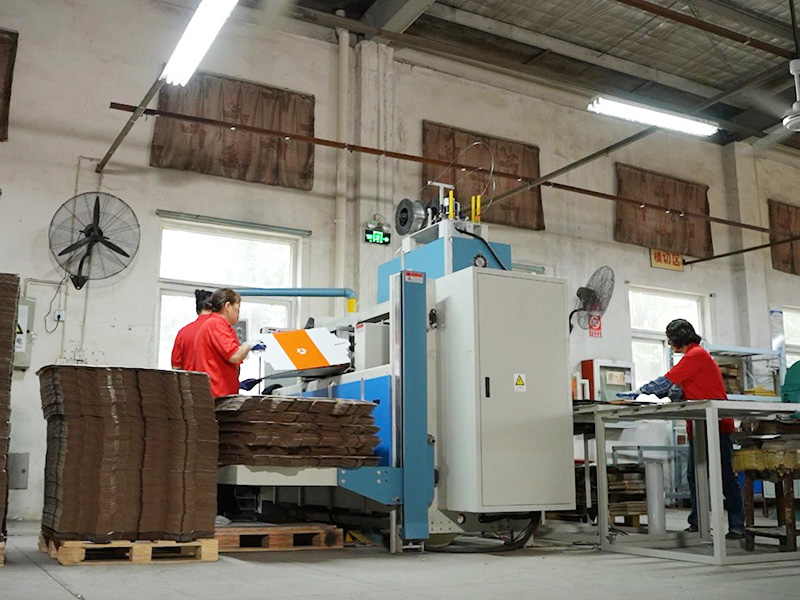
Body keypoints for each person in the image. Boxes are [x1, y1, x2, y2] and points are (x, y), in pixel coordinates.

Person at [638, 319, 745, 540]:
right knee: (696, 476)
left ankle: (736, 525)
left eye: (670, 340)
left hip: (715, 425)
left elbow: (666, 382)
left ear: (678, 339)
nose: (670, 345)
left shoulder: (696, 355)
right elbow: (676, 389)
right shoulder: (694, 357)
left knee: (725, 476)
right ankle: (698, 523)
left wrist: (638, 393)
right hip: (698, 426)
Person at [193, 288, 264, 398]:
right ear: (228, 306)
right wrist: (248, 345)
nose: (238, 314)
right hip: (218, 395)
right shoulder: (216, 324)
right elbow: (234, 356)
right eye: (238, 309)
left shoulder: (216, 325)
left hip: (218, 392)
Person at [171, 289, 213, 371]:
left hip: (188, 379)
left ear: (197, 309)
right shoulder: (222, 331)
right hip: (214, 379)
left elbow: (176, 369)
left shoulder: (183, 333)